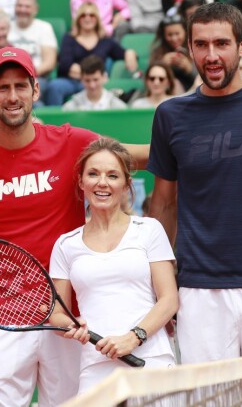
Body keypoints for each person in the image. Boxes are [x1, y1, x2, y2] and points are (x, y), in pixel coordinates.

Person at [0, 46, 149, 407]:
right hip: (4, 317)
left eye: (21, 86)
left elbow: (138, 155)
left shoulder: (71, 142)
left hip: (67, 316)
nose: (12, 96)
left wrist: (192, 139)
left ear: (36, 90)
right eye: (2, 88)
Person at [148, 2, 242, 364]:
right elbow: (163, 205)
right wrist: (162, 285)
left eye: (222, 43)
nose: (211, 55)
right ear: (188, 48)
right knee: (207, 398)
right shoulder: (170, 115)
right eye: (201, 44)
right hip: (199, 288)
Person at [50, 138, 177, 393]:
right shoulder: (65, 245)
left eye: (113, 175)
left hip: (151, 362)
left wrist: (134, 337)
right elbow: (57, 312)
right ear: (81, 182)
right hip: (95, 368)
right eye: (93, 174)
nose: (102, 182)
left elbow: (169, 299)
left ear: (126, 184)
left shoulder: (149, 230)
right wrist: (71, 325)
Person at [46, 2, 138, 106]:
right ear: (78, 19)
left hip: (93, 81)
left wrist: (130, 52)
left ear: (97, 19)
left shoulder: (105, 40)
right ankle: (55, 121)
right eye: (83, 15)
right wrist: (86, 75)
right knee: (54, 86)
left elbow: (121, 53)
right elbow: (65, 63)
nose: (87, 18)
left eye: (91, 15)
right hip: (70, 81)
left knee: (92, 85)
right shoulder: (69, 38)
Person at [9, 0, 58, 98]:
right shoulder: (6, 27)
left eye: (27, 7)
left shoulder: (44, 28)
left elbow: (49, 62)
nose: (22, 10)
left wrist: (27, 75)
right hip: (9, 78)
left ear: (35, 9)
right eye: (19, 6)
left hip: (37, 77)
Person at [62, 55, 128, 111]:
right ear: (81, 79)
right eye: (87, 80)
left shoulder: (118, 107)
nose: (92, 85)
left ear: (104, 77)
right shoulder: (70, 108)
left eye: (96, 80)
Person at [150, 15, 196, 93]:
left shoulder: (195, 49)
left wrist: (189, 69)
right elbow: (150, 79)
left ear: (185, 32)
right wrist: (162, 66)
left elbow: (203, 80)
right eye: (169, 35)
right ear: (164, 35)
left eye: (177, 34)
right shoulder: (157, 52)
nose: (174, 39)